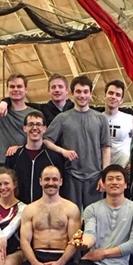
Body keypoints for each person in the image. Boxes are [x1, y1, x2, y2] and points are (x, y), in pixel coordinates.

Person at [43, 75, 111, 210]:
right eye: (78, 91)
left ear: (91, 94)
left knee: (94, 218)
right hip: (71, 177)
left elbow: (106, 148)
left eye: (86, 91)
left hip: (95, 178)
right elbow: (46, 140)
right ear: (72, 93)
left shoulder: (101, 118)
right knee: (71, 217)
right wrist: (63, 151)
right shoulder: (62, 118)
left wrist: (105, 175)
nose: (82, 95)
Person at [5, 111, 66, 204]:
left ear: (44, 128)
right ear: (24, 128)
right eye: (30, 124)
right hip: (19, 210)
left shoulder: (54, 158)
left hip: (46, 209)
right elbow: (7, 184)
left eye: (38, 124)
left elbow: (62, 187)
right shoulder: (14, 157)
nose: (34, 127)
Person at [0, 73, 74, 126]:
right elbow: (18, 101)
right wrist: (4, 103)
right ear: (49, 91)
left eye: (60, 87)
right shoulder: (42, 109)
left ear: (67, 90)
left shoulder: (75, 109)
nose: (57, 90)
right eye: (53, 87)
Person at [103, 80, 133, 169]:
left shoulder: (129, 119)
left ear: (121, 100)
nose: (113, 97)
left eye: (118, 95)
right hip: (99, 171)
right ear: (104, 95)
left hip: (122, 170)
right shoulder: (96, 119)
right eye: (111, 93)